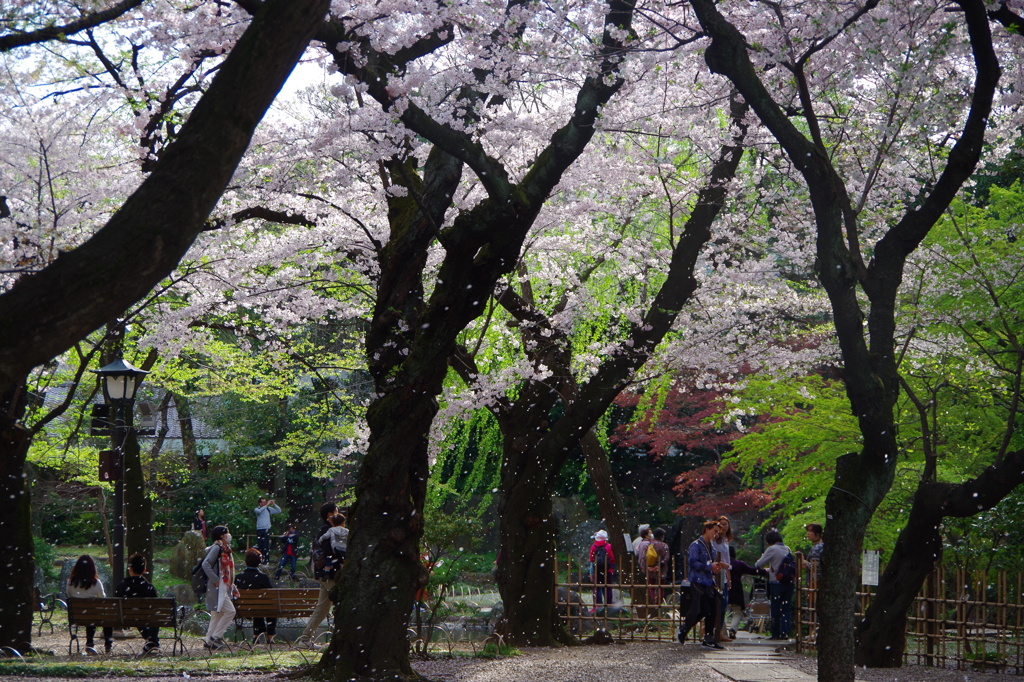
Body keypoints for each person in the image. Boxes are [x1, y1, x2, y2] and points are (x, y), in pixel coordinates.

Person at [677, 520, 726, 650]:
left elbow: (710, 565)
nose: (716, 534)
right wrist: (708, 566)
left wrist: (714, 568)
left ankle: (707, 637)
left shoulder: (712, 548)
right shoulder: (696, 545)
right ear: (707, 530)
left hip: (708, 581)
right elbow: (692, 562)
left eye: (718, 532)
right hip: (697, 581)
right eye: (715, 531)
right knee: (700, 609)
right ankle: (685, 628)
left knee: (712, 609)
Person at [296, 502, 338, 647]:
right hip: (329, 574)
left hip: (323, 574)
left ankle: (305, 639)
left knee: (322, 608)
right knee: (341, 602)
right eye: (336, 512)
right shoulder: (328, 531)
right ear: (330, 515)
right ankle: (339, 638)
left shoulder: (324, 530)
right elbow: (331, 552)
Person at [114, 553, 160, 655]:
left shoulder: (122, 586)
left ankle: (151, 643)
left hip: (126, 618)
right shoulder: (149, 587)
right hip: (145, 618)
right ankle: (152, 642)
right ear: (144, 570)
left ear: (130, 569)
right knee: (154, 617)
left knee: (137, 617)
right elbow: (156, 607)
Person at [202, 524, 238, 650]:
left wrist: (231, 585)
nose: (229, 535)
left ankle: (208, 640)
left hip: (223, 586)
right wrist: (216, 580)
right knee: (230, 611)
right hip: (217, 587)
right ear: (222, 535)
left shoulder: (225, 548)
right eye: (227, 533)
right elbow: (205, 564)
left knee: (216, 614)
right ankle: (215, 637)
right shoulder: (217, 548)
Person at [67, 554, 112, 655]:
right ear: (92, 568)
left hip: (77, 616)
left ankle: (90, 644)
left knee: (89, 615)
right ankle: (108, 645)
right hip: (93, 615)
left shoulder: (70, 583)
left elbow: (69, 595)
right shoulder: (96, 582)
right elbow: (103, 598)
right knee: (107, 618)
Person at [755, 529, 794, 640]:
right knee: (786, 608)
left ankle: (775, 633)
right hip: (789, 582)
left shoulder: (772, 549)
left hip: (776, 582)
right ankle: (785, 632)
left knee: (776, 608)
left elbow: (758, 564)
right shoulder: (787, 548)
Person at [235, 547, 277, 643]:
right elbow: (271, 594)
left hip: (244, 609)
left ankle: (256, 636)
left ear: (246, 562)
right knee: (267, 608)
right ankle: (270, 637)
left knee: (256, 608)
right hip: (260, 607)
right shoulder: (262, 577)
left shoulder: (239, 577)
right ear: (259, 562)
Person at [725, 545, 761, 638]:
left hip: (723, 587)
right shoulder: (739, 564)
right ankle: (733, 629)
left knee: (720, 611)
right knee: (737, 611)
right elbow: (752, 570)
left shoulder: (721, 564)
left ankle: (721, 631)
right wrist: (765, 571)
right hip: (736, 589)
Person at [636, 527, 670, 607]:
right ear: (661, 536)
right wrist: (659, 565)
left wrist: (650, 566)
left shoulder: (649, 544)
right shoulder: (664, 546)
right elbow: (666, 558)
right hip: (661, 570)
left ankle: (651, 602)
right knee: (660, 587)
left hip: (650, 569)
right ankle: (659, 604)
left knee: (651, 586)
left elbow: (645, 556)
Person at [713, 515, 734, 642]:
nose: (724, 527)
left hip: (724, 574)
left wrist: (729, 577)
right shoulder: (715, 540)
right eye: (721, 524)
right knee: (719, 603)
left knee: (724, 603)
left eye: (726, 524)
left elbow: (727, 560)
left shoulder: (726, 540)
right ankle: (714, 629)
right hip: (717, 573)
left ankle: (719, 630)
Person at [588, 529, 616, 611]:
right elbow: (612, 558)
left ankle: (598, 605)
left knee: (597, 587)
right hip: (608, 570)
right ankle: (608, 605)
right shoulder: (609, 546)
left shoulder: (593, 547)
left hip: (597, 570)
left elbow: (591, 559)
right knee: (608, 587)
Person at [253, 497, 281, 564]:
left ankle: (266, 560)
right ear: (260, 503)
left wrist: (274, 504)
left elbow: (279, 510)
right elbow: (259, 511)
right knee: (260, 545)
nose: (265, 503)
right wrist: (266, 505)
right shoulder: (257, 509)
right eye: (263, 502)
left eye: (265, 502)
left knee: (266, 545)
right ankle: (260, 559)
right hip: (259, 529)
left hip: (266, 529)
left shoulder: (268, 509)